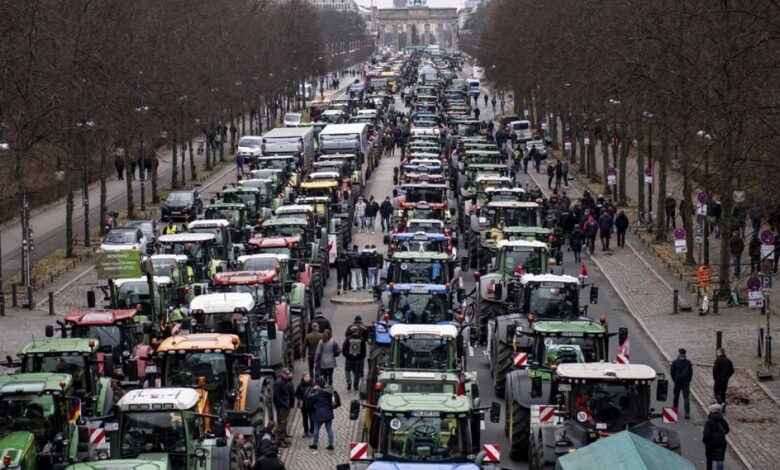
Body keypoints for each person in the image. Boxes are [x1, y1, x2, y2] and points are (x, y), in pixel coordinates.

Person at [309, 377, 335, 450]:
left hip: (319, 413)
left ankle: (315, 444)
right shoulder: (329, 391)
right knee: (329, 429)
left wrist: (313, 389)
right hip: (329, 413)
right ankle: (331, 445)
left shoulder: (317, 393)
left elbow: (309, 396)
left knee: (316, 429)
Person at [702, 403, 729, 470]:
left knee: (709, 458)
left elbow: (706, 434)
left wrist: (705, 441)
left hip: (711, 443)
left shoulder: (709, 422)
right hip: (721, 442)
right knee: (720, 459)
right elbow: (727, 430)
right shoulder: (722, 420)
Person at [272, 368, 293, 447]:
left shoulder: (284, 381)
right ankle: (279, 441)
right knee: (281, 423)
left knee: (284, 423)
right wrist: (283, 404)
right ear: (282, 373)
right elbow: (276, 396)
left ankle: (283, 438)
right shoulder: (278, 383)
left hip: (285, 405)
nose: (288, 375)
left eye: (288, 374)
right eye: (286, 374)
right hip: (281, 407)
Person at [670, 348, 693, 419]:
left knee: (676, 396)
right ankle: (687, 413)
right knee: (686, 398)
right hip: (685, 382)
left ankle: (675, 409)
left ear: (679, 353)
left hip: (677, 381)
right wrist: (688, 380)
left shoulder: (675, 362)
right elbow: (691, 373)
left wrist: (674, 379)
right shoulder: (688, 362)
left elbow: (672, 372)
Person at [343, 326, 367, 392]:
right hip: (358, 359)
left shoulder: (348, 339)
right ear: (357, 331)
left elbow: (344, 349)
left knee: (347, 370)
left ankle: (349, 380)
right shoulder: (361, 339)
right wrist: (361, 358)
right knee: (357, 373)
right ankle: (355, 386)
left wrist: (347, 356)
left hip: (350, 358)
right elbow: (364, 351)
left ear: (351, 331)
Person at [295, 373, 315, 437]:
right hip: (304, 406)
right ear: (303, 378)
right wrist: (300, 399)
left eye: (308, 377)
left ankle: (312, 431)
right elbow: (297, 394)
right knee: (305, 419)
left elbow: (316, 393)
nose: (307, 378)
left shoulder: (313, 385)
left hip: (311, 405)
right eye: (306, 377)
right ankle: (306, 431)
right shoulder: (300, 385)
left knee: (312, 419)